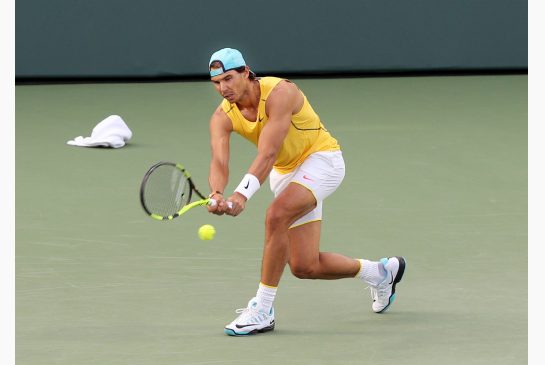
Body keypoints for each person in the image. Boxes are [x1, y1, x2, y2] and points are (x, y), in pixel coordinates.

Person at [205, 47, 406, 336]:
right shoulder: (221, 117)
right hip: (287, 173)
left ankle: (262, 310)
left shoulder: (280, 93)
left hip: (322, 159)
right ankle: (380, 273)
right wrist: (216, 192)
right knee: (304, 265)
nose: (223, 88)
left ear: (246, 72)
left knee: (276, 216)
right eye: (216, 83)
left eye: (228, 78)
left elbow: (269, 152)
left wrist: (241, 195)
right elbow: (219, 161)